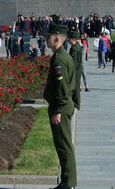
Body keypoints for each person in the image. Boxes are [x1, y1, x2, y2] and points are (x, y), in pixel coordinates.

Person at [43, 23, 77, 189]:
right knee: (62, 145)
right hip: (61, 106)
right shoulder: (60, 56)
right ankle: (66, 181)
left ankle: (69, 183)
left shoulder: (60, 59)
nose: (46, 39)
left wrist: (58, 110)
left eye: (48, 37)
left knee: (64, 147)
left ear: (56, 38)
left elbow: (62, 89)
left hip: (61, 107)